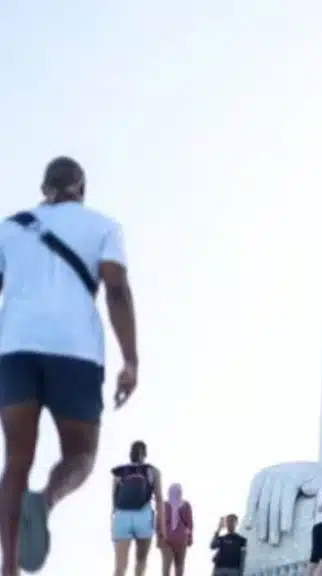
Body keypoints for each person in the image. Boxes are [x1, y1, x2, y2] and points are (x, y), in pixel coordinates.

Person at [0, 156, 138, 574]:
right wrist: (130, 360)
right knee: (80, 454)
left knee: (16, 459)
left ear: (45, 190)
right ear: (82, 187)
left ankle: (8, 569)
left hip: (15, 349)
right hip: (75, 352)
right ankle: (45, 501)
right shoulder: (103, 227)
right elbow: (116, 291)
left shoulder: (8, 229)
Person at [112, 440, 164, 576]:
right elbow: (159, 499)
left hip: (122, 517)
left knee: (120, 566)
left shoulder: (119, 472)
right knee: (141, 560)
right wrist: (161, 527)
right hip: (143, 516)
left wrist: (114, 520)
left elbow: (114, 500)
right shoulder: (153, 471)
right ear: (145, 454)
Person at [159, 483, 193, 576]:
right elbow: (189, 524)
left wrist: (159, 539)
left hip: (171, 539)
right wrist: (190, 538)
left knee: (172, 566)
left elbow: (189, 523)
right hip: (174, 539)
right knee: (177, 566)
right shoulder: (167, 505)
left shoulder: (166, 505)